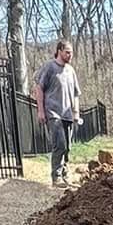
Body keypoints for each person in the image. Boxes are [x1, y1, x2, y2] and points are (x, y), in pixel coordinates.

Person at [34, 39, 82, 186]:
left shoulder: (70, 70)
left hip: (68, 114)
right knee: (59, 145)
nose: (70, 55)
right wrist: (41, 111)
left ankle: (65, 174)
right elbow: (39, 88)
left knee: (67, 147)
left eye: (71, 53)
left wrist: (76, 112)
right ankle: (56, 176)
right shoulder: (50, 67)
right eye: (67, 52)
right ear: (59, 51)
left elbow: (76, 94)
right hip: (53, 113)